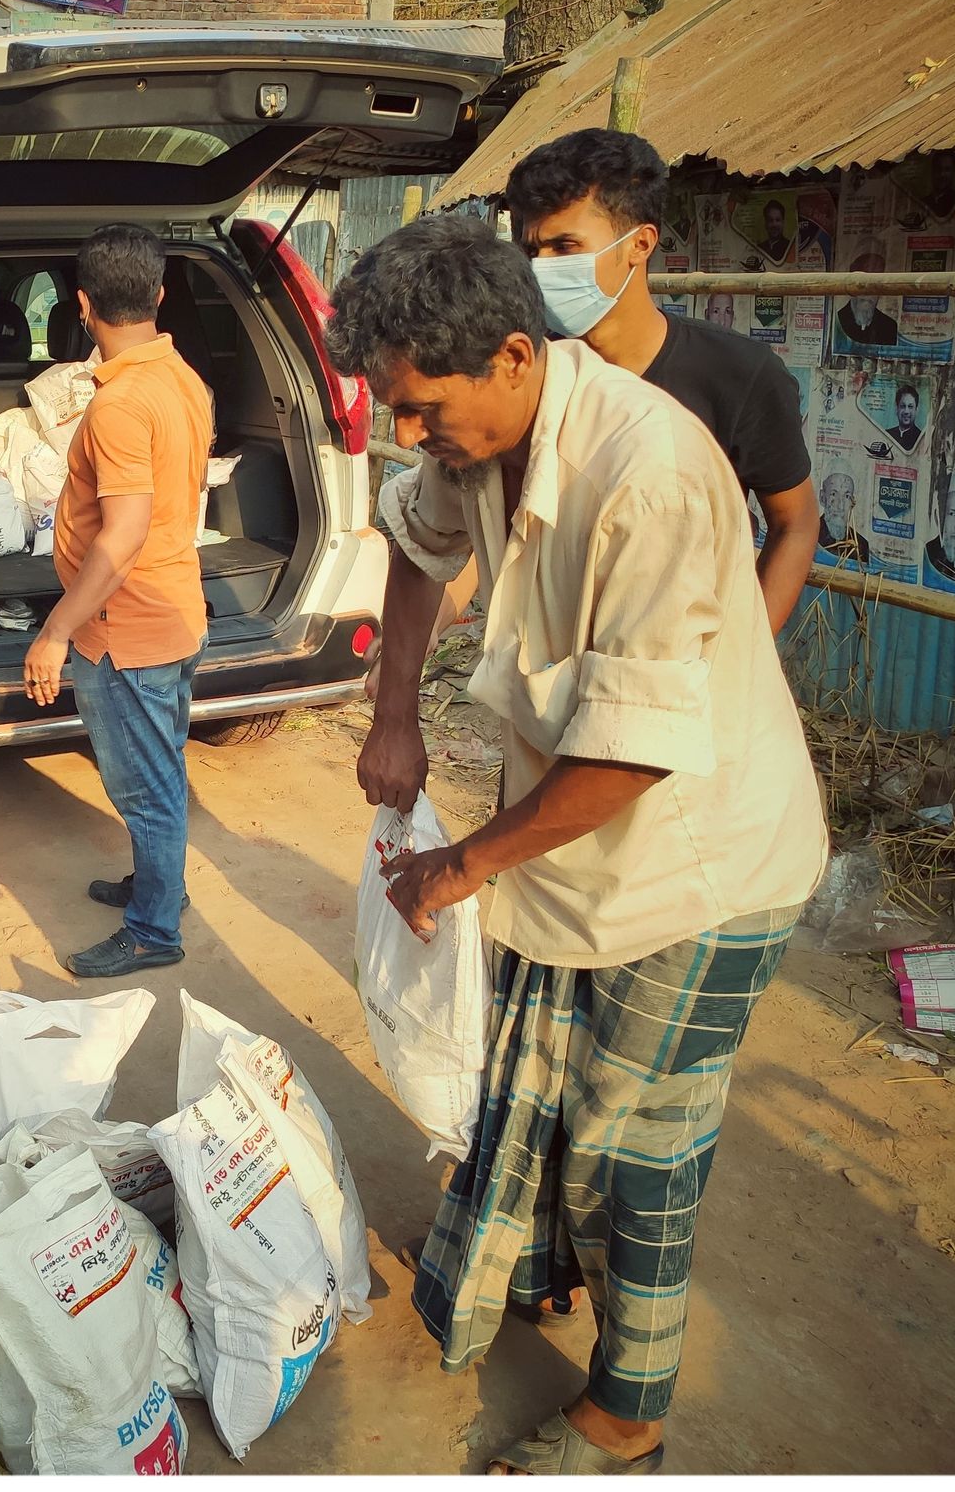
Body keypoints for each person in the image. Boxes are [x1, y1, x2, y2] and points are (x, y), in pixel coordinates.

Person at [329, 215, 827, 1474]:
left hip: (701, 858)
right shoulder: (475, 434)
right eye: (393, 411)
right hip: (576, 836)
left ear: (510, 354)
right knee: (535, 1083)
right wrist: (391, 712)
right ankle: (532, 1276)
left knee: (632, 1145)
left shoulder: (644, 471)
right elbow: (414, 543)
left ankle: (626, 1414)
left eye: (420, 408)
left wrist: (461, 863)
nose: (408, 436)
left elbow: (631, 753)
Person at [506, 129, 820, 635]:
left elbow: (796, 523)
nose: (542, 268)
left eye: (565, 246)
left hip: (680, 663)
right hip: (552, 656)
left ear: (640, 245)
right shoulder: (531, 367)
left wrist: (742, 657)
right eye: (531, 250)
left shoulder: (740, 375)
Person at [23, 224, 212, 979]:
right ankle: (160, 887)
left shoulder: (121, 404)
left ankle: (152, 930)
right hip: (173, 611)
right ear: (159, 296)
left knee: (148, 787)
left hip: (125, 628)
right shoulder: (184, 380)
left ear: (80, 304)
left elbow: (124, 531)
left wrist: (55, 630)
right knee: (159, 770)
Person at [835, 248, 902, 348]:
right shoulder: (838, 319)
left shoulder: (889, 325)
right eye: (863, 283)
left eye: (875, 283)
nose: (868, 291)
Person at [817, 470, 874, 564]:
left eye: (847, 496)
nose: (840, 505)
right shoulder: (810, 535)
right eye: (833, 494)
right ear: (822, 498)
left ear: (852, 502)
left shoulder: (861, 544)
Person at [889, 384, 924, 452]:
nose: (906, 412)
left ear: (916, 410)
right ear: (897, 409)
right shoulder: (887, 435)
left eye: (910, 407)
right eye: (902, 406)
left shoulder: (921, 438)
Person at [756, 197, 792, 263]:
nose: (774, 224)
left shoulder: (790, 247)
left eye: (778, 220)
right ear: (765, 223)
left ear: (783, 222)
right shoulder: (758, 249)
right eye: (770, 220)